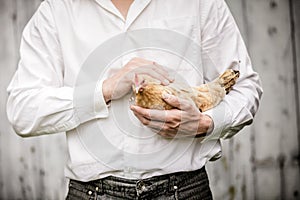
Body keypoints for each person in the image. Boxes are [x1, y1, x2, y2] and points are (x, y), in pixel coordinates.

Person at [6, 0, 262, 199]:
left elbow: (245, 85)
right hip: (93, 193)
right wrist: (105, 89)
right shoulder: (56, 10)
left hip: (184, 189)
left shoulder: (199, 2)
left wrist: (205, 123)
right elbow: (23, 110)